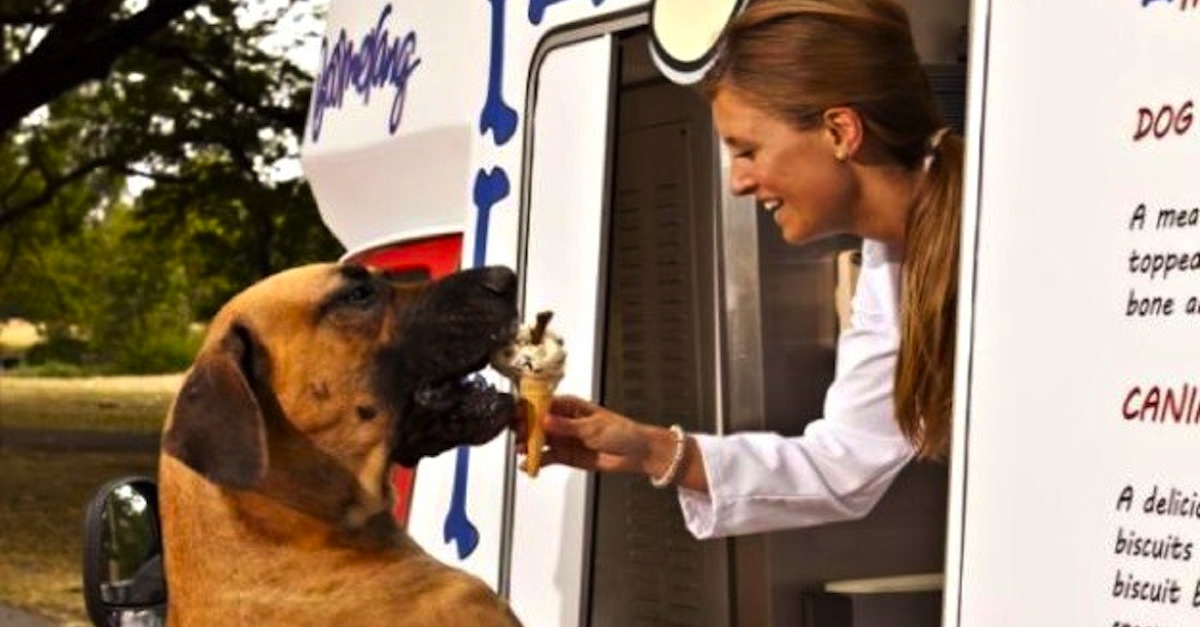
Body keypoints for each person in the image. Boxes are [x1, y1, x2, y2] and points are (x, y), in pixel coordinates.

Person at [518, 0, 963, 540]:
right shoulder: (890, 269)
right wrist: (652, 449)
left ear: (840, 131)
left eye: (747, 150)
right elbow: (842, 466)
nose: (738, 182)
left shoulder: (1004, 223)